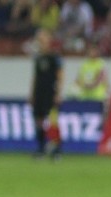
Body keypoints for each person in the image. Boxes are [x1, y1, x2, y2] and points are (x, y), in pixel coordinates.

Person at [29, 28, 63, 159]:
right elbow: (35, 77)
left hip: (50, 92)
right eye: (39, 39)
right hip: (39, 93)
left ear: (49, 41)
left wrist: (58, 92)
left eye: (43, 39)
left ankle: (56, 149)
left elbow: (60, 75)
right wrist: (32, 93)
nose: (41, 41)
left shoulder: (54, 57)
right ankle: (41, 148)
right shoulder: (37, 58)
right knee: (39, 120)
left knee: (53, 121)